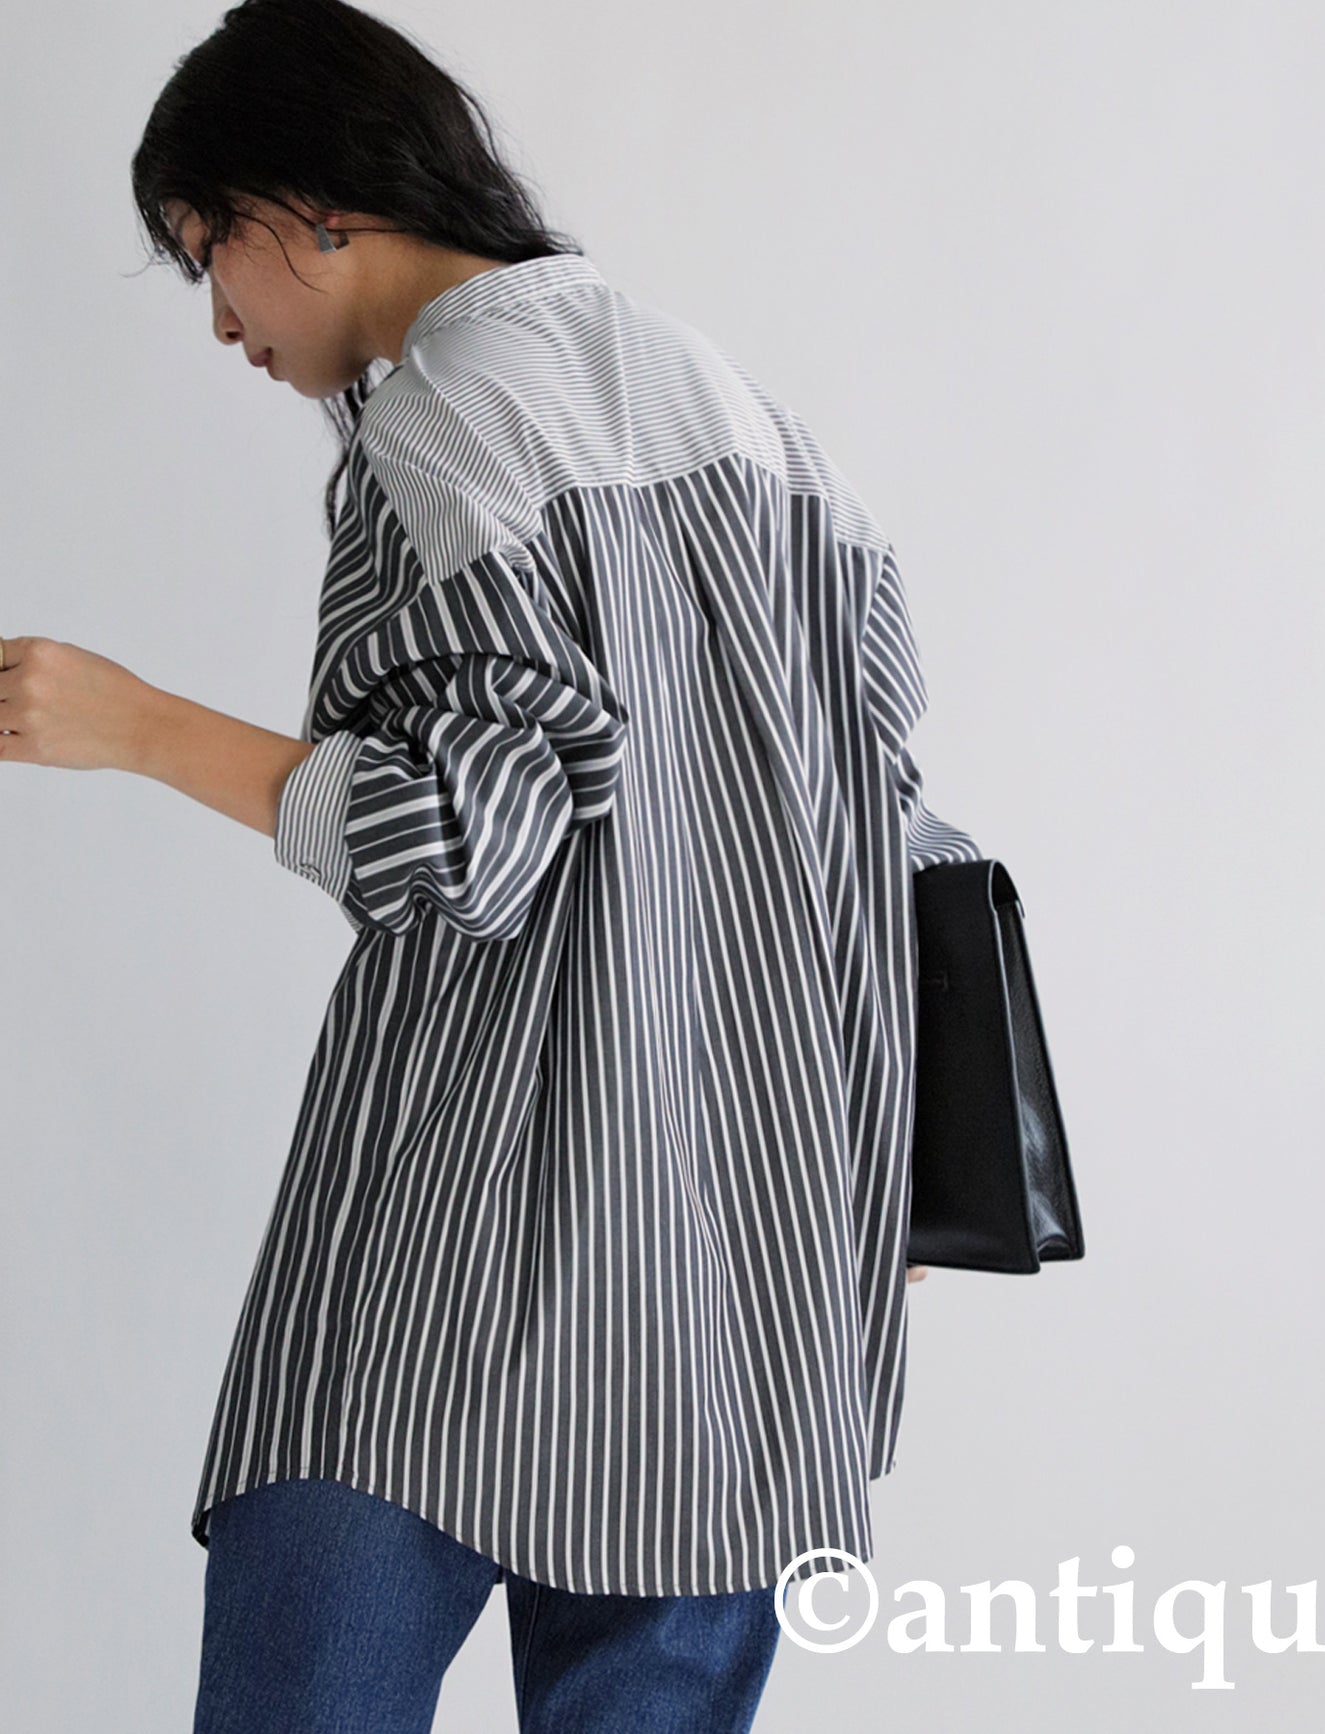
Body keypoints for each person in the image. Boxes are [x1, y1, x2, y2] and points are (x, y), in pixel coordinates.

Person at [0, 0, 981, 1727]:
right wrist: (886, 1143)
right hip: (740, 1272)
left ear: (314, 201)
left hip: (459, 1248)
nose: (220, 319)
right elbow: (885, 815)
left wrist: (135, 724)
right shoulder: (754, 423)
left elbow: (467, 837)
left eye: (209, 250)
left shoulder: (447, 417)